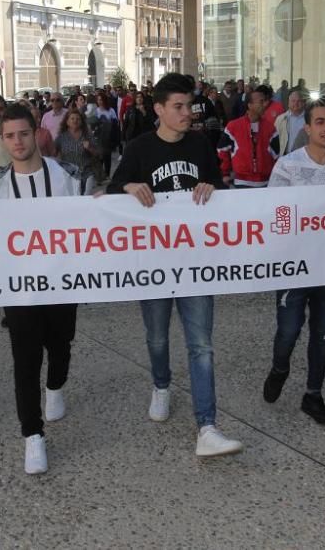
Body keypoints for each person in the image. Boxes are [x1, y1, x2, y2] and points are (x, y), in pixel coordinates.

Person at [107, 73, 243, 458]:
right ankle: (161, 384)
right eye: (179, 107)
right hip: (152, 265)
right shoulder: (138, 148)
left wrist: (212, 188)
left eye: (190, 105)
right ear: (160, 110)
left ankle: (207, 425)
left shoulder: (201, 145)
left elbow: (220, 189)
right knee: (157, 337)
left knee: (201, 345)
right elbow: (111, 192)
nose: (188, 113)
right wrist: (128, 187)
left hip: (195, 262)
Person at [0, 105, 81, 475]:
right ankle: (32, 435)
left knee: (60, 345)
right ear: (2, 138)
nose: (17, 142)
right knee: (24, 360)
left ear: (36, 132)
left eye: (23, 133)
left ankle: (56, 386)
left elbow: (88, 221)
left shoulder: (67, 175)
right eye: (9, 136)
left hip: (61, 281)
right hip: (18, 288)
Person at [263, 101, 325, 424]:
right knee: (289, 331)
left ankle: (313, 394)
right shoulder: (287, 167)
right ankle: (280, 367)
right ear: (306, 127)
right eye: (319, 122)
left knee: (322, 333)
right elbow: (274, 215)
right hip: (293, 266)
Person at [217, 88, 277, 188]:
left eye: (265, 101)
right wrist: (225, 173)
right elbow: (223, 151)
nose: (265, 104)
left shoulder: (271, 128)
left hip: (266, 182)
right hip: (241, 182)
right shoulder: (233, 127)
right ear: (250, 105)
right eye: (261, 102)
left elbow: (276, 155)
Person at [55, 109, 101, 195]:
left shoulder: (87, 135)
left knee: (85, 198)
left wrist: (89, 148)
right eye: (72, 118)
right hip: (69, 175)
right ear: (67, 121)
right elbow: (53, 154)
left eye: (78, 119)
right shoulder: (61, 137)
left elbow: (98, 153)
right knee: (73, 199)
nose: (75, 121)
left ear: (81, 122)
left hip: (87, 174)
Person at [270, 88, 308, 157]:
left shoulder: (310, 119)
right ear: (288, 103)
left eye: (299, 101)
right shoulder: (281, 119)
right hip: (286, 157)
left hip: (305, 158)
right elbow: (274, 140)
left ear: (304, 103)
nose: (296, 104)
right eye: (293, 101)